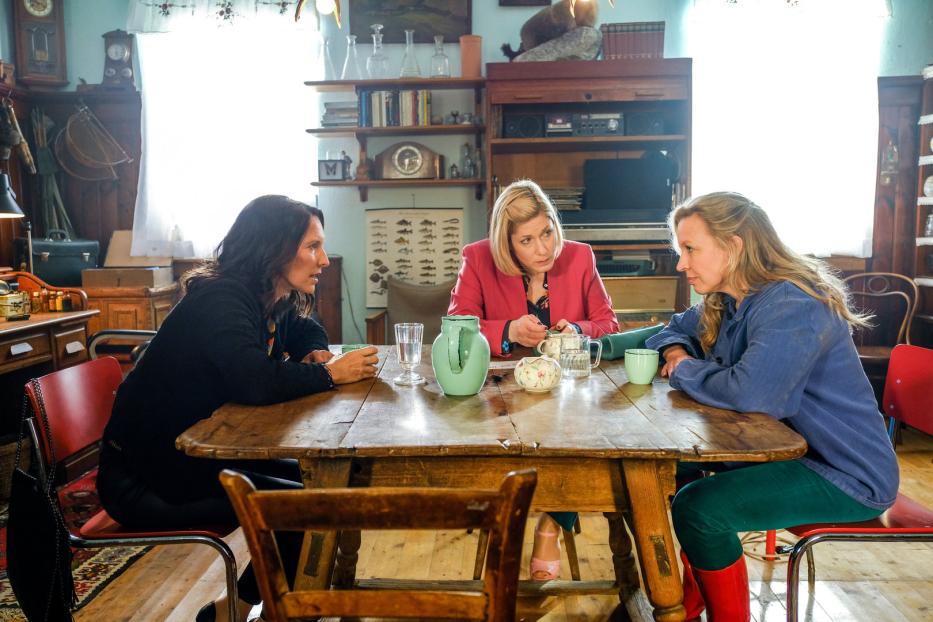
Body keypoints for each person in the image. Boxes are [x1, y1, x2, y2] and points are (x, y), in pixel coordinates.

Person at [97, 195, 379, 622]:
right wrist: (331, 375)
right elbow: (255, 382)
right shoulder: (222, 300)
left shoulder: (270, 295)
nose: (323, 260)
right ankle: (267, 613)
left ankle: (236, 610)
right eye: (312, 247)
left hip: (198, 456)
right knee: (302, 507)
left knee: (321, 489)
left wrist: (317, 352)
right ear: (274, 249)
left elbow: (305, 326)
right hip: (147, 477)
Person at [644, 192, 899, 621]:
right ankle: (691, 602)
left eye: (690, 249)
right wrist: (674, 351)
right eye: (680, 250)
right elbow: (671, 329)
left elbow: (753, 395)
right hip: (788, 453)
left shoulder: (792, 303)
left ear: (734, 245)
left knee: (699, 507)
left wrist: (684, 368)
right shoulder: (727, 297)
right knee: (669, 469)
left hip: (844, 471)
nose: (681, 264)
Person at [447, 179, 619, 580]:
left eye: (548, 232)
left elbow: (608, 323)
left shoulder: (579, 257)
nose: (544, 248)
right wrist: (508, 331)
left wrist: (578, 330)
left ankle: (549, 524)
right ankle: (509, 519)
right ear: (506, 245)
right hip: (501, 396)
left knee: (574, 437)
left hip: (569, 395)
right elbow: (457, 327)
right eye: (527, 240)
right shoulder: (477, 258)